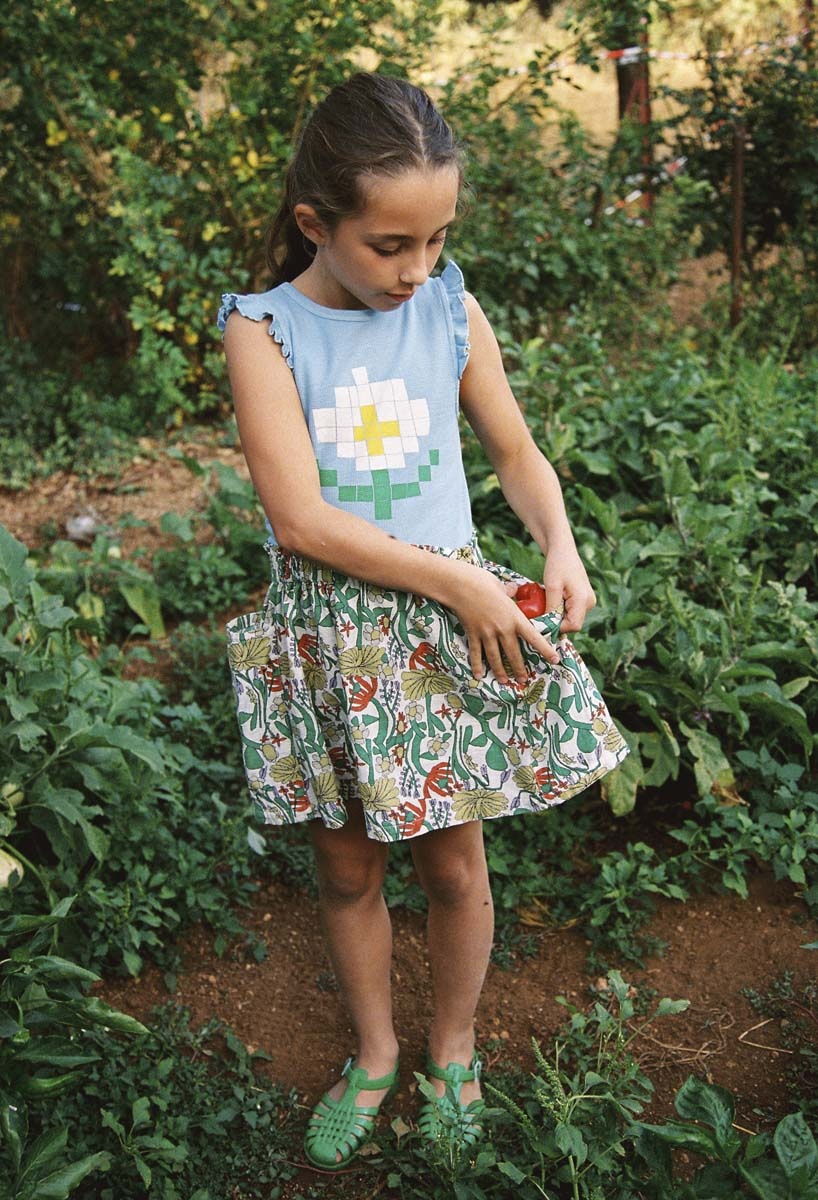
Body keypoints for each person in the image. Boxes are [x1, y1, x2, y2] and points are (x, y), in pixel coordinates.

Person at [217, 72, 628, 1171]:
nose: (417, 269)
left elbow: (515, 453)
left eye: (437, 239)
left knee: (453, 867)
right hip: (333, 640)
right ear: (316, 223)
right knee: (348, 869)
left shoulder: (449, 310)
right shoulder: (264, 331)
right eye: (390, 244)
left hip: (444, 640)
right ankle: (375, 1053)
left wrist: (558, 541)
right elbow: (302, 522)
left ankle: (452, 1049)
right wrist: (458, 583)